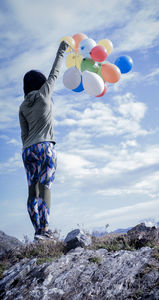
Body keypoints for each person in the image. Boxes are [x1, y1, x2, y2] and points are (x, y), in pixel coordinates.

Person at [19, 40, 68, 241]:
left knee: (32, 190)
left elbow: (24, 134)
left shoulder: (22, 106)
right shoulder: (44, 94)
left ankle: (38, 230)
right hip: (45, 147)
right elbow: (55, 71)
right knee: (46, 187)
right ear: (39, 83)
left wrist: (28, 148)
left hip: (27, 150)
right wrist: (63, 49)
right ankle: (46, 229)